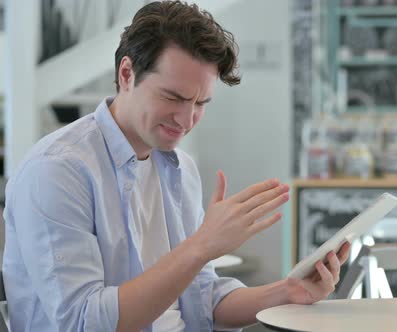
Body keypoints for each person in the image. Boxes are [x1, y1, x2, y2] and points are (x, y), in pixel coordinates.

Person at [2, 1, 351, 331]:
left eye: (201, 103)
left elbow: (201, 298)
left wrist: (289, 292)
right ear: (127, 74)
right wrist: (201, 245)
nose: (186, 120)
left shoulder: (179, 168)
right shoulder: (57, 172)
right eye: (173, 98)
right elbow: (83, 321)